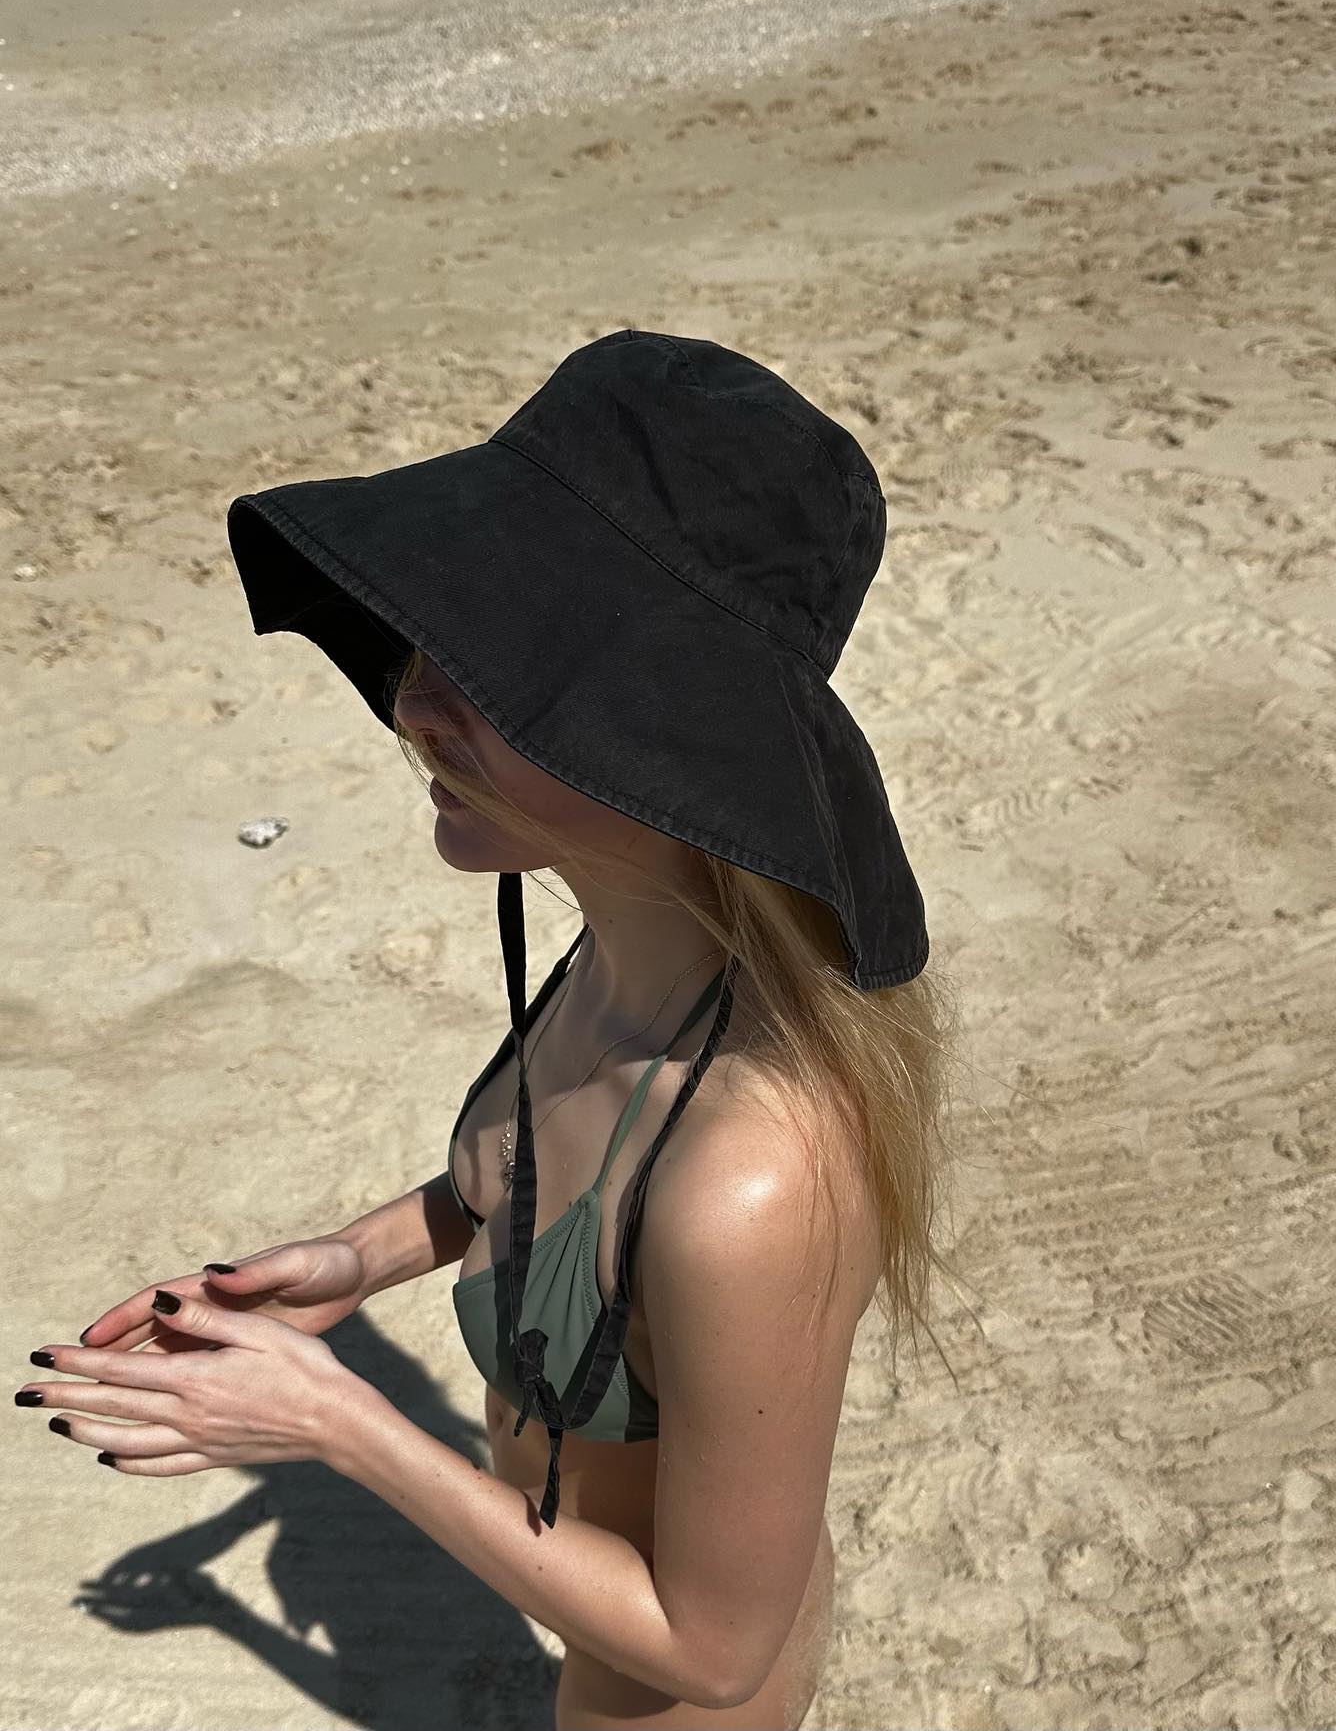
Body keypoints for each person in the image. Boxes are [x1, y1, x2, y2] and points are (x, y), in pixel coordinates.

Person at [51, 331, 965, 1729]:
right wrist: (365, 1254)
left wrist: (339, 1424)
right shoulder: (627, 951)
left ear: (658, 741)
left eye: (499, 674)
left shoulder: (753, 1179)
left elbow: (711, 1648)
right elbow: (556, 1191)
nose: (413, 702)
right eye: (436, 643)